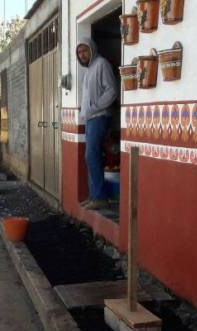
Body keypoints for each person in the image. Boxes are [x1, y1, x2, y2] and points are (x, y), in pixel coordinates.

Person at [76, 36, 118, 210]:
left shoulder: (101, 64)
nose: (82, 54)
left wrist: (94, 107)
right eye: (79, 52)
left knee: (91, 155)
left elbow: (112, 91)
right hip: (91, 118)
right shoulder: (89, 70)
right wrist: (85, 112)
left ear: (92, 49)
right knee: (92, 156)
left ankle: (99, 197)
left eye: (84, 50)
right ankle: (95, 196)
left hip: (100, 116)